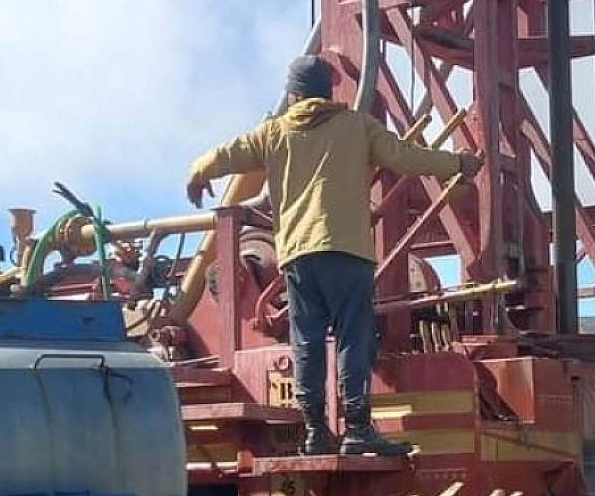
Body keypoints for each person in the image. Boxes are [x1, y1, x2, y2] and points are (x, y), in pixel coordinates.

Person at [184, 54, 484, 457]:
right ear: (328, 91)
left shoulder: (273, 134)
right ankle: (358, 428)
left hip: (298, 255)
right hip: (347, 252)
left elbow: (223, 155)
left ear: (292, 94)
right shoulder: (357, 128)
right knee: (352, 336)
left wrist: (198, 173)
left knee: (306, 341)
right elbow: (406, 157)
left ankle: (315, 431)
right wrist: (458, 164)